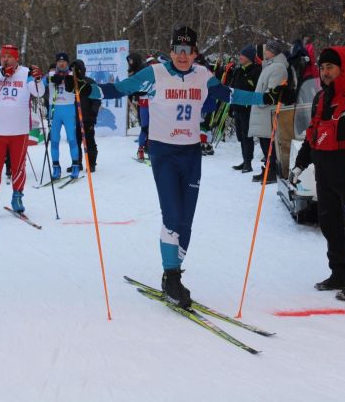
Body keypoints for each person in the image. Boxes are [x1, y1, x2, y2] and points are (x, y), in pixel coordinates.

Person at [79, 25, 284, 308]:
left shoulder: (203, 76)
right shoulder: (155, 74)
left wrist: (266, 98)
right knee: (172, 216)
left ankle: (171, 272)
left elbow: (230, 95)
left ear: (195, 52)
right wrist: (87, 89)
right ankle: (172, 276)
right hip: (163, 153)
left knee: (186, 221)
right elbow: (120, 88)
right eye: (178, 50)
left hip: (190, 154)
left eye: (188, 50)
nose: (182, 56)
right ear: (171, 50)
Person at [289, 46, 345, 302]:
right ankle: (339, 274)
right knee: (330, 226)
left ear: (344, 68)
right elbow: (312, 134)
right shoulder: (321, 98)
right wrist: (300, 164)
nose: (325, 71)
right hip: (325, 173)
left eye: (331, 66)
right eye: (323, 67)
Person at [0, 44, 45, 213]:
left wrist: (37, 79)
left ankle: (17, 197)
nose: (5, 59)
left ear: (16, 59)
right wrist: (0, 73)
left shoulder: (25, 73)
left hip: (19, 130)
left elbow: (38, 92)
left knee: (18, 166)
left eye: (9, 56)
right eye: (3, 56)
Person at [248, 40, 289, 184]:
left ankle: (272, 172)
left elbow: (273, 93)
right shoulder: (269, 66)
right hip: (263, 113)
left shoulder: (278, 68)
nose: (265, 51)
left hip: (269, 112)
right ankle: (268, 169)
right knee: (266, 144)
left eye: (268, 49)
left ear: (274, 52)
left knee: (270, 145)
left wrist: (258, 100)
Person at [45, 52, 80, 179]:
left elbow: (80, 85)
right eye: (59, 61)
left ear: (67, 62)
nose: (61, 63)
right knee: (54, 140)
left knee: (72, 138)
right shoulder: (50, 74)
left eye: (64, 61)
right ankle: (56, 167)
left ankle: (75, 165)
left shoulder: (72, 74)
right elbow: (39, 86)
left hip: (69, 110)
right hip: (54, 110)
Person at [230, 44, 261, 173]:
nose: (240, 57)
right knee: (240, 136)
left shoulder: (255, 70)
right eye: (240, 55)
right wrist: (231, 107)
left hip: (248, 109)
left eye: (243, 55)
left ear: (249, 57)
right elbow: (232, 89)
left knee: (247, 135)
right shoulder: (238, 70)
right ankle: (244, 160)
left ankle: (248, 162)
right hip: (237, 107)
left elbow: (257, 90)